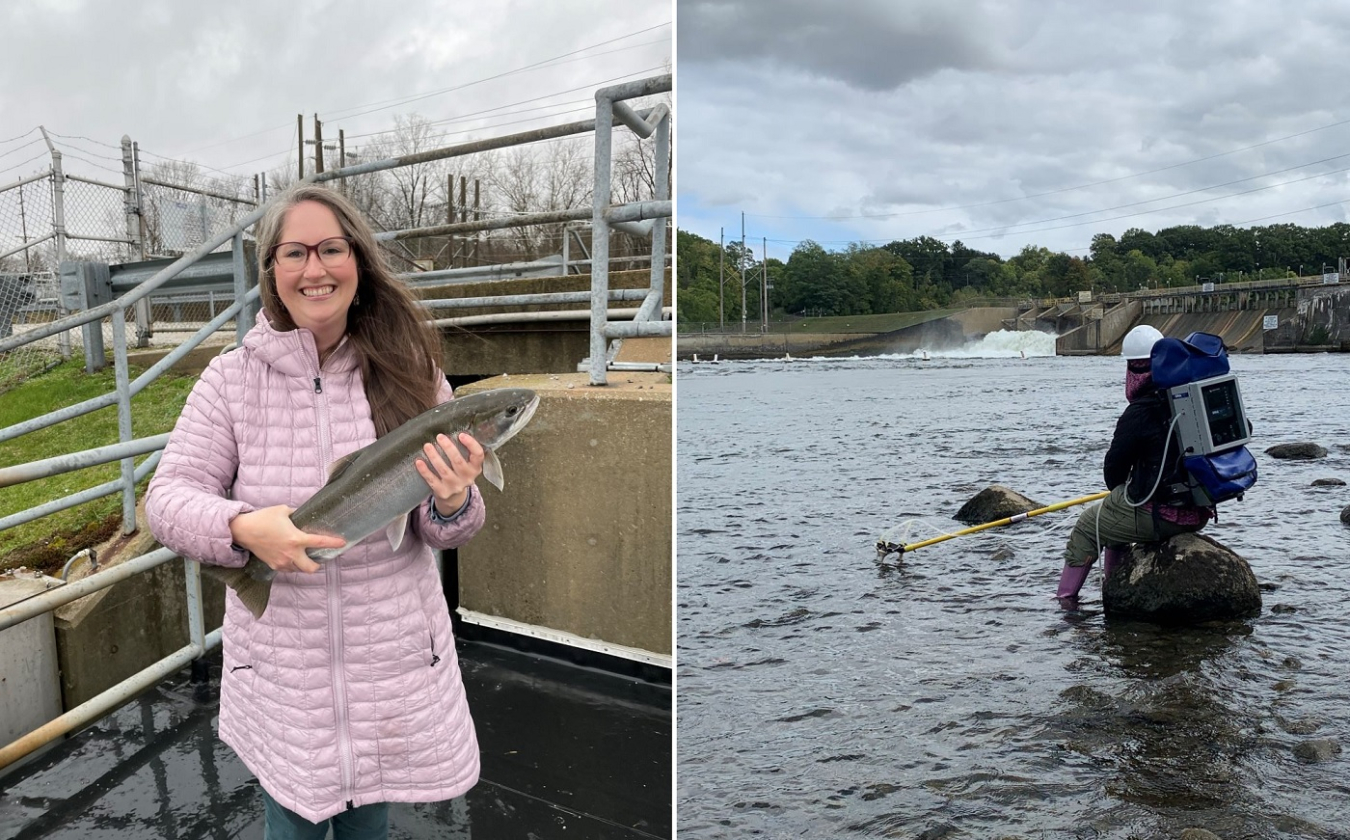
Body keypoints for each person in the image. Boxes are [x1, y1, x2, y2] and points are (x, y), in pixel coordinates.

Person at [147, 184, 488, 837]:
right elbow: (165, 501)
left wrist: (451, 499)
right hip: (286, 675)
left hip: (387, 669)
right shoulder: (230, 380)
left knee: (371, 824)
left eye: (331, 249)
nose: (315, 269)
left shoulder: (411, 368)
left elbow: (447, 529)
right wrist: (242, 529)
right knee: (291, 822)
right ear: (271, 270)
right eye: (295, 252)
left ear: (356, 260)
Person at [1055, 324, 1212, 606]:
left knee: (1089, 525)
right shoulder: (1188, 396)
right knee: (1115, 513)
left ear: (1133, 369)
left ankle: (1066, 604)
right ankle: (1116, 586)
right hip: (1198, 512)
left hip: (1164, 516)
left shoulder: (1139, 411)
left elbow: (1113, 470)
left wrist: (1123, 490)